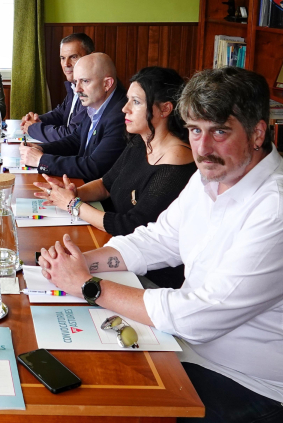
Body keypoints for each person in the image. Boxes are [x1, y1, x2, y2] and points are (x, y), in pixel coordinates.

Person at [38, 67, 283, 423]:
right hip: (200, 354)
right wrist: (82, 262)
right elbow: (157, 240)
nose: (204, 148)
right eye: (195, 130)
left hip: (271, 391)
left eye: (220, 131)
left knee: (107, 406)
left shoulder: (281, 210)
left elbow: (201, 315)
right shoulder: (212, 175)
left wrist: (88, 286)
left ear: (258, 133)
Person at [33, 67, 195, 289]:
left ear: (165, 109)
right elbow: (105, 184)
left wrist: (73, 205)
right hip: (111, 245)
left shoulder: (177, 159)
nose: (125, 108)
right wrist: (74, 192)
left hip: (146, 275)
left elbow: (130, 225)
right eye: (127, 100)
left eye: (136, 102)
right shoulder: (142, 140)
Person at [20, 53, 127, 182]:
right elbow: (75, 140)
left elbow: (94, 167)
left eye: (85, 81)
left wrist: (41, 160)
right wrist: (41, 149)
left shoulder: (120, 116)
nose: (77, 89)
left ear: (107, 84)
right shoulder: (96, 103)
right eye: (76, 82)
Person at [21, 33, 94, 142]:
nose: (66, 64)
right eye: (62, 58)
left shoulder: (92, 89)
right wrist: (35, 120)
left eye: (73, 57)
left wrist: (34, 128)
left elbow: (72, 135)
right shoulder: (73, 85)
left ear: (90, 57)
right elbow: (61, 114)